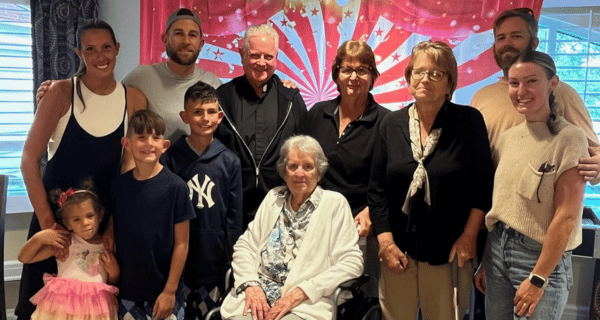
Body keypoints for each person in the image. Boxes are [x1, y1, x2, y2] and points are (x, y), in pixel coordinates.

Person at [16, 18, 146, 320]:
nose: (100, 56)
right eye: (91, 49)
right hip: (55, 224)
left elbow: (129, 170)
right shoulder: (61, 92)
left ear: (117, 49)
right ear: (79, 54)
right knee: (43, 308)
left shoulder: (134, 99)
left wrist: (113, 225)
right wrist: (50, 225)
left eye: (106, 48)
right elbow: (28, 159)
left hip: (98, 229)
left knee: (95, 308)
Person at [368, 40, 494, 320]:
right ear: (409, 78)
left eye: (436, 73)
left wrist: (470, 235)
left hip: (449, 249)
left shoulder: (469, 122)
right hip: (397, 249)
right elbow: (377, 192)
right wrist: (386, 244)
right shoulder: (391, 124)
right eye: (418, 72)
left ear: (450, 84)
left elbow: (483, 187)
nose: (425, 79)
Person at [474, 51, 587, 320]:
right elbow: (504, 206)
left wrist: (538, 278)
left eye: (531, 81)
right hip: (496, 251)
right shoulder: (507, 138)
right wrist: (488, 262)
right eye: (514, 83)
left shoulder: (569, 138)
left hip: (539, 257)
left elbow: (566, 216)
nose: (521, 91)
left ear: (553, 83)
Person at [220, 135, 363, 320]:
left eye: (308, 167)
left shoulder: (335, 204)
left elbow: (352, 262)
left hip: (304, 305)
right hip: (257, 298)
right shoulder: (273, 198)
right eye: (293, 166)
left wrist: (301, 292)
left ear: (319, 173)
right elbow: (245, 246)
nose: (299, 173)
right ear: (284, 172)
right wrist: (251, 285)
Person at [301, 39, 390, 298]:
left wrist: (371, 212)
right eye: (346, 69)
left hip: (360, 230)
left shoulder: (386, 122)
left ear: (373, 76)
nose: (353, 77)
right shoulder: (317, 113)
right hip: (316, 226)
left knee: (357, 302)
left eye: (362, 69)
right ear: (336, 74)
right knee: (316, 300)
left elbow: (390, 180)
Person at [470, 7, 600, 179]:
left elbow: (593, 154)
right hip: (492, 203)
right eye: (501, 38)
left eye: (516, 36)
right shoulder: (481, 97)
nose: (507, 43)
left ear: (534, 43)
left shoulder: (560, 92)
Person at [160, 81, 244, 320]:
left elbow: (234, 218)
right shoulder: (171, 160)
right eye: (197, 112)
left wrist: (229, 260)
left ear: (219, 117)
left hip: (214, 262)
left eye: (210, 112)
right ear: (185, 116)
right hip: (179, 263)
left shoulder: (230, 162)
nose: (205, 118)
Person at [215, 24, 307, 226]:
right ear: (241, 54)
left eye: (268, 57)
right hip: (232, 211)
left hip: (282, 213)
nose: (261, 63)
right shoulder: (222, 98)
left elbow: (305, 151)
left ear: (276, 57)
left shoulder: (291, 98)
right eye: (255, 55)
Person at [111, 110, 196, 320]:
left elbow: (182, 244)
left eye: (155, 137)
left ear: (164, 145)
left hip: (164, 293)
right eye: (141, 137)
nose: (148, 143)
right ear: (127, 143)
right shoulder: (118, 186)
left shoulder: (176, 187)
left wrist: (170, 291)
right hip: (128, 293)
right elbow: (115, 235)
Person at [18, 181, 120, 320]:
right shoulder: (65, 243)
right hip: (61, 309)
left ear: (100, 215)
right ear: (67, 223)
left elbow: (112, 282)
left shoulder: (108, 244)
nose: (85, 223)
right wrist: (39, 238)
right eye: (76, 219)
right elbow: (24, 258)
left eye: (90, 215)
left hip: (96, 310)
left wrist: (114, 270)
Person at [122, 8, 222, 142]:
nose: (186, 41)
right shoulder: (141, 77)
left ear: (201, 44)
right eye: (178, 34)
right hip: (154, 161)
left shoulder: (213, 84)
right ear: (165, 39)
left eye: (192, 35)